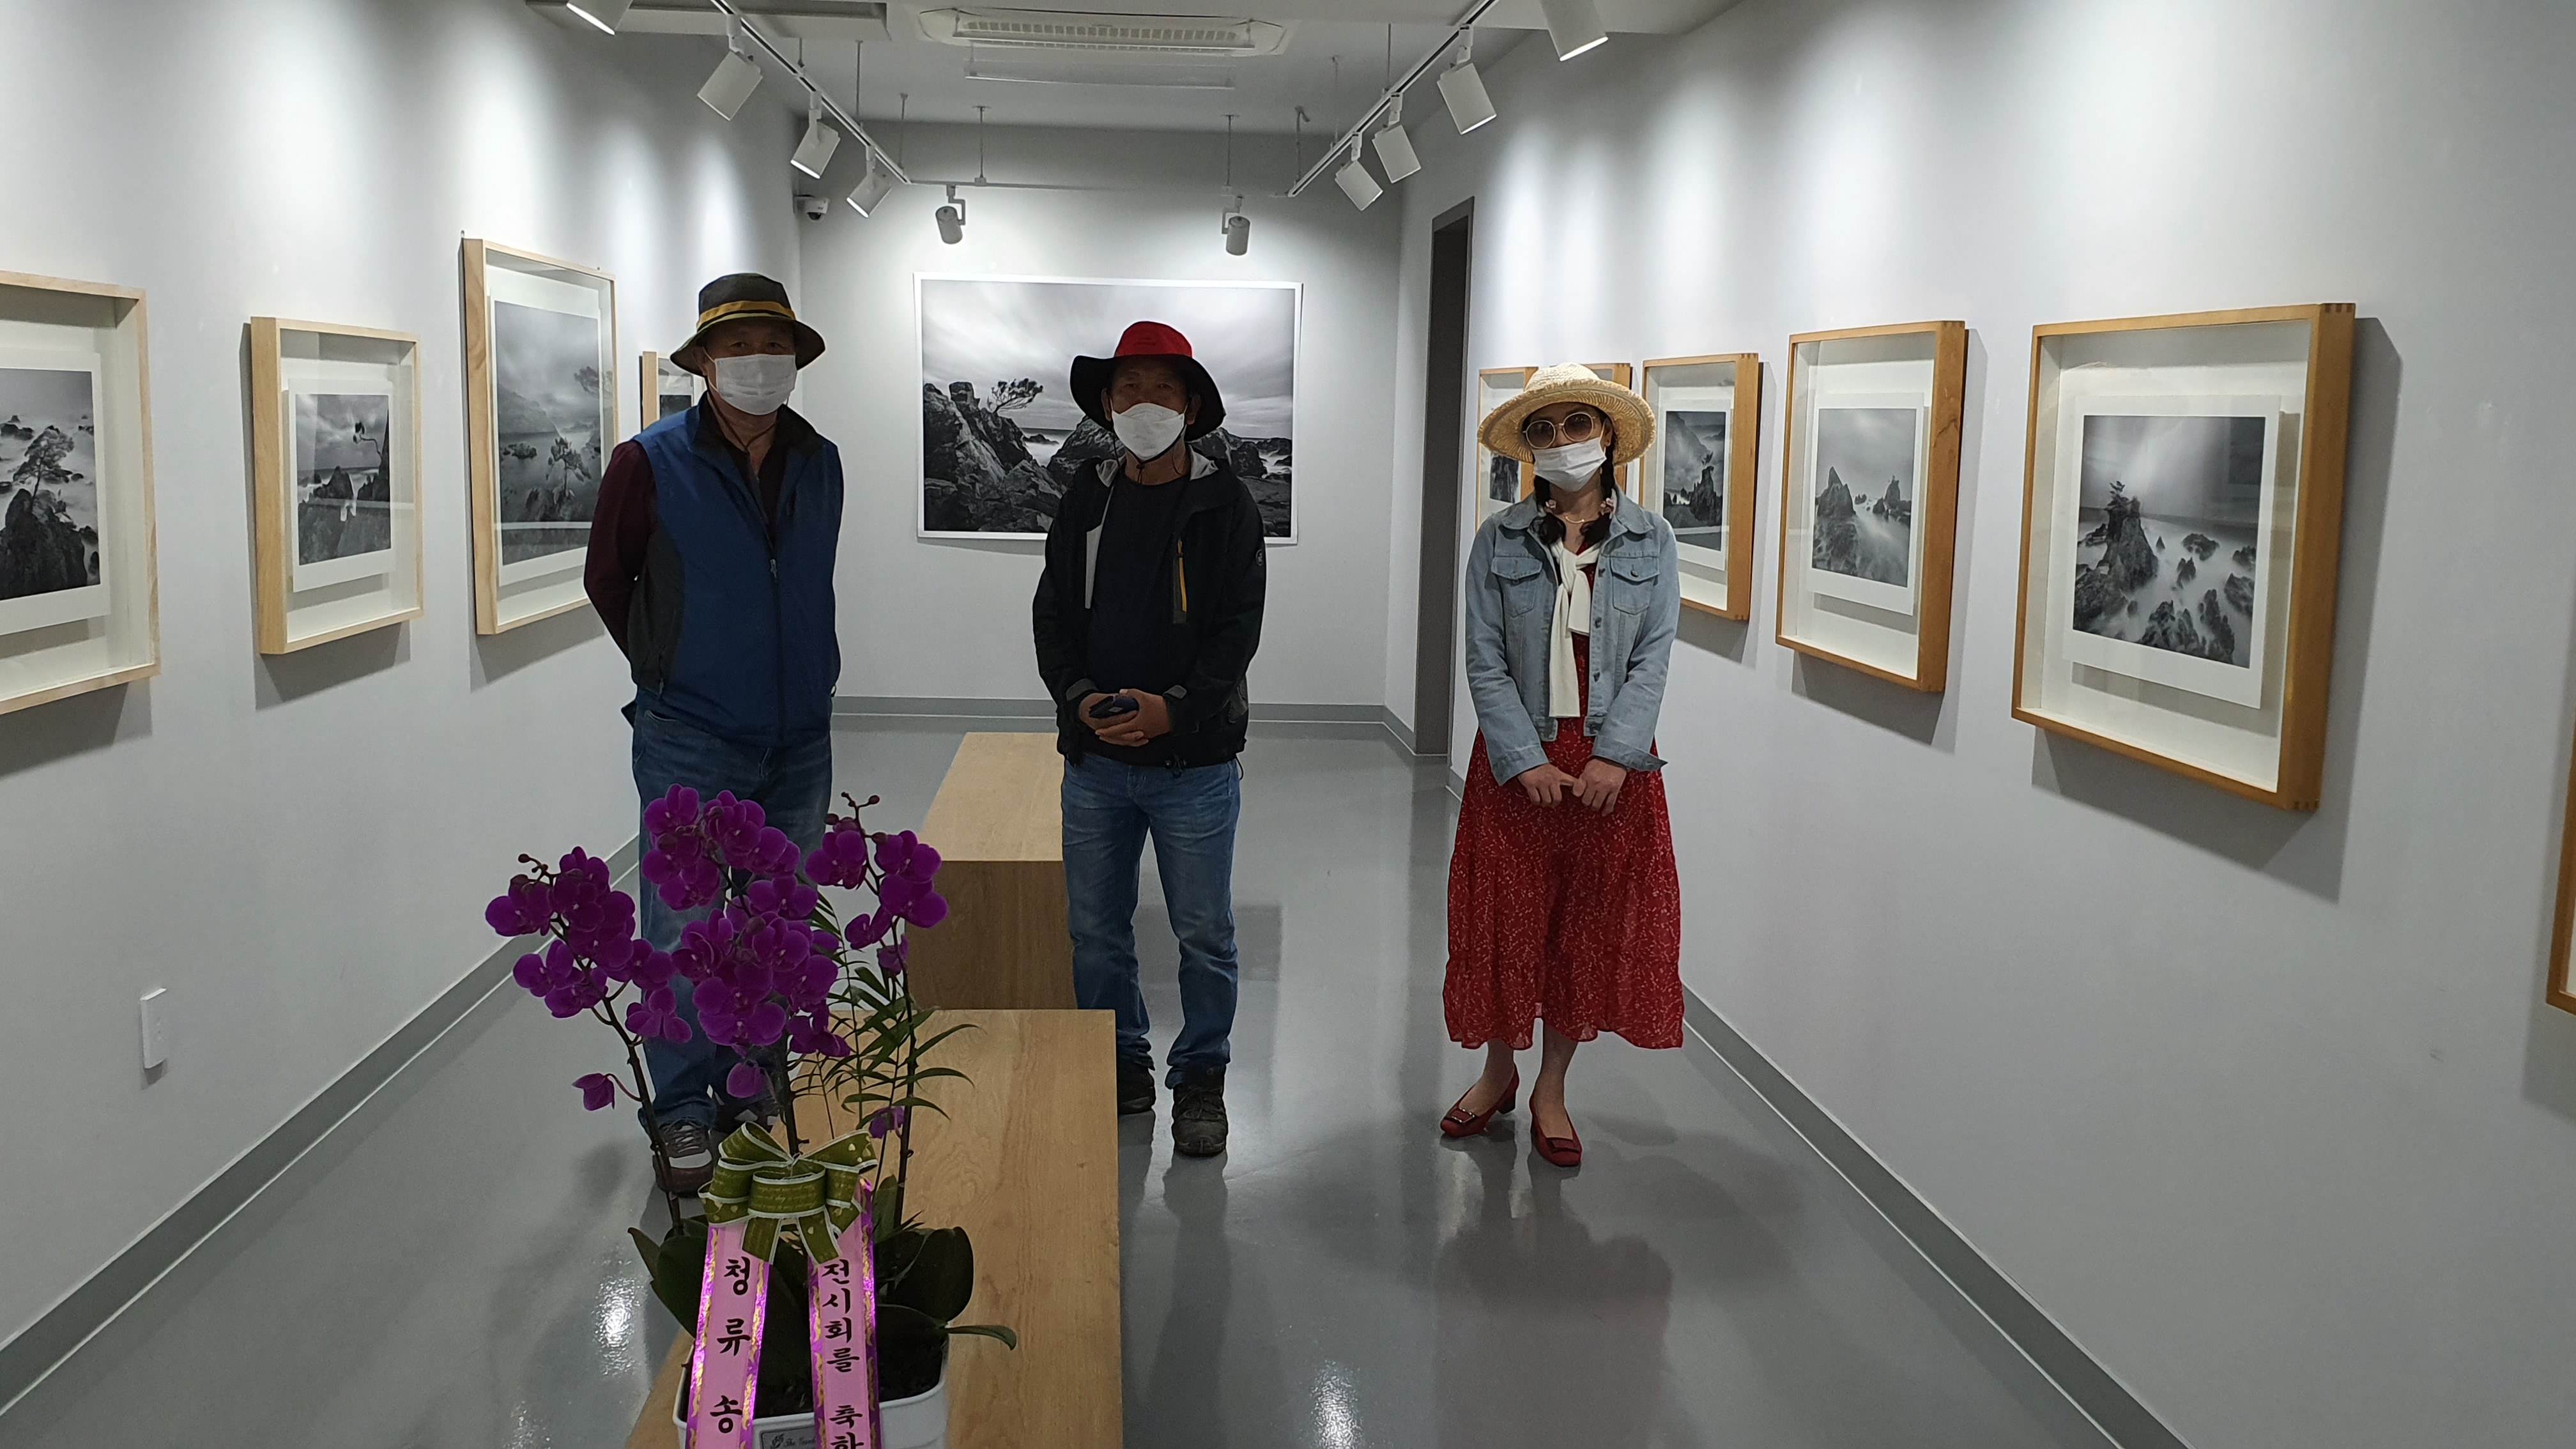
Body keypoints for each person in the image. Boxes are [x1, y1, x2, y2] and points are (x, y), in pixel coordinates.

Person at [583, 273, 843, 1194]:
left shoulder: (820, 461)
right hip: (689, 735)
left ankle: (752, 1081)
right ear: (705, 362)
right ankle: (683, 1106)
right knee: (684, 926)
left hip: (799, 737)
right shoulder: (648, 462)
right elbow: (609, 580)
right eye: (739, 347)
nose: (758, 362)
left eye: (773, 346)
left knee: (778, 921)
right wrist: (670, 668)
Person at [1032, 321, 1268, 1158]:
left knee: (1204, 933)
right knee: (1096, 930)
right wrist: (1079, 698)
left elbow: (1237, 631)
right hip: (1096, 764)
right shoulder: (1087, 498)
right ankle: (1120, 1060)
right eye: (1127, 388)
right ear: (1106, 404)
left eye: (1162, 389)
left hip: (1192, 765)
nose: (1144, 404)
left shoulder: (1225, 503)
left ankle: (1201, 1076)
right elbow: (1053, 615)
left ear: (1192, 407)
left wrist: (1176, 710)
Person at [1441, 363, 1684, 1169]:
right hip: (1519, 768)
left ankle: (1551, 1087)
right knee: (1507, 923)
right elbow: (1483, 659)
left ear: (1607, 435)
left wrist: (1616, 758)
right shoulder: (1499, 539)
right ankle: (1497, 1072)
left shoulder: (1652, 540)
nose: (1561, 441)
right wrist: (1522, 760)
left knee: (1582, 931)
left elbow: (1652, 659)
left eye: (1576, 424)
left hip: (1610, 772)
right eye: (1543, 429)